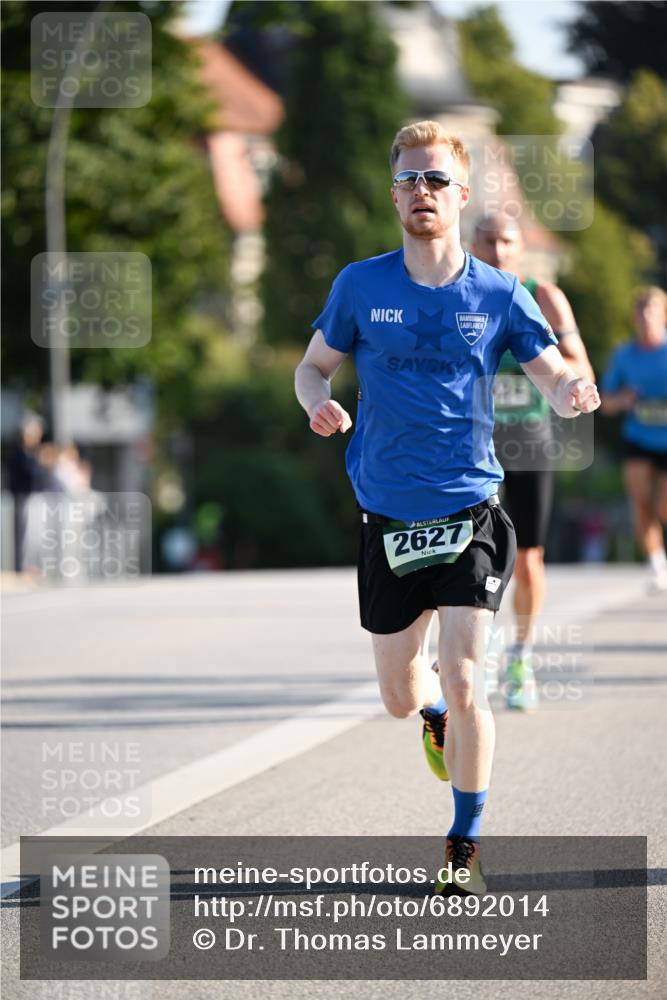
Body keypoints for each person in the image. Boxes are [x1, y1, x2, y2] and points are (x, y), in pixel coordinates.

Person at [294, 121, 600, 893]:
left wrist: (570, 392)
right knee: (402, 698)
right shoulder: (360, 285)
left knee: (466, 678)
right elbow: (311, 366)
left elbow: (550, 373)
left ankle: (463, 845)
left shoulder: (499, 293)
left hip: (470, 510)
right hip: (387, 518)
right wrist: (318, 402)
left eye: (435, 180)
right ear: (393, 192)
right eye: (408, 180)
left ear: (460, 195)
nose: (420, 192)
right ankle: (430, 718)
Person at [471, 214, 596, 710]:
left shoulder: (543, 296)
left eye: (508, 241)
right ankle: (476, 649)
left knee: (527, 558)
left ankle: (520, 656)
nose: (498, 249)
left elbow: (580, 364)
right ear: (471, 243)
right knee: (470, 555)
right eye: (488, 239)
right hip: (473, 445)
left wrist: (554, 371)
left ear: (520, 248)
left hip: (530, 442)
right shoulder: (457, 292)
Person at [600, 286, 667, 591]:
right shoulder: (624, 354)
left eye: (651, 311)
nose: (645, 318)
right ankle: (656, 564)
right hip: (638, 436)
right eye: (640, 312)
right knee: (640, 502)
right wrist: (623, 399)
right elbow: (606, 401)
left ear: (663, 315)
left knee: (664, 506)